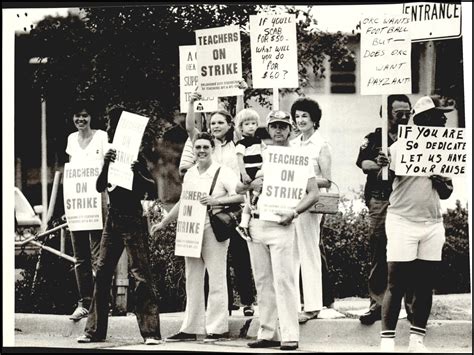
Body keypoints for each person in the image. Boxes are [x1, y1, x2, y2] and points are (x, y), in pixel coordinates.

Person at [76, 106, 162, 345]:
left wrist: (138, 173)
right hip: (113, 218)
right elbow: (100, 185)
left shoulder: (138, 154)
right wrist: (105, 164)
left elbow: (152, 189)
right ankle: (94, 331)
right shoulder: (111, 153)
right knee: (102, 273)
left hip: (132, 218)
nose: (110, 128)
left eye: (113, 124)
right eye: (109, 124)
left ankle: (151, 332)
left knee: (140, 274)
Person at [237, 110, 320, 351]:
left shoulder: (300, 157)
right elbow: (238, 185)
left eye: (283, 126)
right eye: (274, 126)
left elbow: (313, 193)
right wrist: (251, 184)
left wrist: (294, 212)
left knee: (284, 280)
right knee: (263, 281)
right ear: (269, 129)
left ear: (291, 129)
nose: (279, 131)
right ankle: (267, 332)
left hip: (283, 223)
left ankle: (290, 334)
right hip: (256, 221)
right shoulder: (259, 152)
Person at [151, 132, 244, 342]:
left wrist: (216, 201)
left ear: (212, 149)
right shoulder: (191, 173)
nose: (201, 151)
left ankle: (217, 327)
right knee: (192, 279)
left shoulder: (223, 171)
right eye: (198, 147)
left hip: (213, 228)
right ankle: (191, 326)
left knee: (217, 277)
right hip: (190, 230)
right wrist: (164, 222)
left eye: (205, 147)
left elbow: (241, 195)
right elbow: (184, 201)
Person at [379, 95, 454, 352]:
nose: (441, 121)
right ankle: (387, 341)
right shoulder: (399, 148)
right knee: (396, 282)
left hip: (432, 222)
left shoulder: (444, 149)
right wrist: (385, 165)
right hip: (402, 221)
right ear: (423, 120)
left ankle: (416, 340)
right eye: (436, 117)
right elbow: (384, 182)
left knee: (424, 285)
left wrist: (440, 179)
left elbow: (446, 193)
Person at [185, 87, 256, 317]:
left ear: (230, 125)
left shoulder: (237, 143)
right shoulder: (207, 145)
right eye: (213, 123)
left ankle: (247, 301)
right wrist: (192, 104)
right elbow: (190, 128)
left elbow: (241, 113)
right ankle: (224, 305)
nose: (215, 126)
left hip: (234, 206)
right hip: (212, 209)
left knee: (240, 256)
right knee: (218, 262)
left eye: (220, 123)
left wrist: (239, 91)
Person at [356, 94, 413, 325]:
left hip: (407, 201)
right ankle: (377, 304)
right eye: (398, 112)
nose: (403, 116)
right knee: (379, 250)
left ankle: (411, 307)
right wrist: (377, 163)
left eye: (407, 112)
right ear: (386, 113)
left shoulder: (414, 138)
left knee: (409, 252)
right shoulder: (374, 138)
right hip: (381, 199)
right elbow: (362, 163)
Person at [289, 97, 333, 324]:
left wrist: (304, 181)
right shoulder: (293, 144)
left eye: (304, 116)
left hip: (312, 204)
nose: (300, 120)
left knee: (309, 251)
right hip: (292, 203)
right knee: (292, 253)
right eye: (297, 117)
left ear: (314, 119)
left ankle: (314, 305)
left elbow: (327, 180)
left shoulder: (321, 145)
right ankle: (293, 305)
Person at [65, 100, 109, 321]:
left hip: (97, 200)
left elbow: (106, 167)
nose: (80, 119)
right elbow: (72, 169)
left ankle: (101, 303)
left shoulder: (101, 137)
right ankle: (85, 303)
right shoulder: (71, 139)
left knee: (98, 254)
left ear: (91, 117)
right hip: (77, 201)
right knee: (80, 256)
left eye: (84, 115)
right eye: (77, 116)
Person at [234, 108, 265, 241]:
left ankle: (244, 223)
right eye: (247, 124)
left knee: (251, 198)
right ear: (241, 128)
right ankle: (254, 201)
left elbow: (266, 152)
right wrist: (244, 174)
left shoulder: (259, 140)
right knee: (269, 174)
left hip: (257, 169)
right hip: (249, 171)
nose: (250, 126)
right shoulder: (242, 143)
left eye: (253, 123)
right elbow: (240, 160)